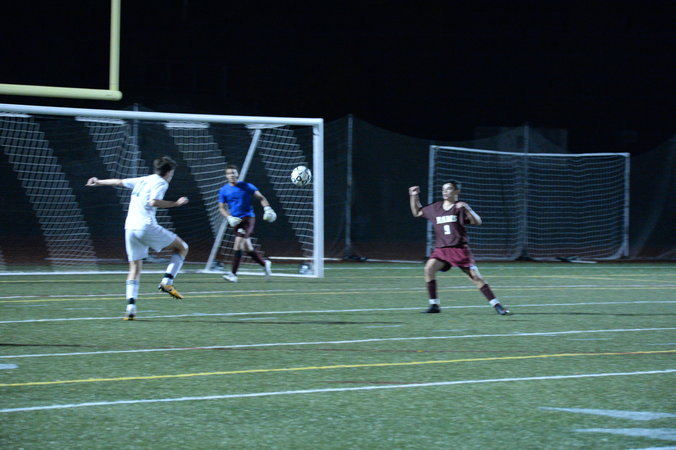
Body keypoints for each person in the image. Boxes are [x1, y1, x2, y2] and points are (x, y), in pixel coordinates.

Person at [86, 156, 189, 320]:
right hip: (145, 227)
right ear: (169, 172)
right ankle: (167, 282)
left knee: (134, 269)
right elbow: (153, 202)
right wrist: (176, 204)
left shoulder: (144, 179)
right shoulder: (161, 183)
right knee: (182, 247)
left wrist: (98, 182)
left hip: (130, 228)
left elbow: (119, 182)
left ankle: (131, 309)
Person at [409, 181, 510, 315]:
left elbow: (478, 221)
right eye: (443, 189)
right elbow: (417, 212)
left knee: (475, 277)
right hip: (441, 250)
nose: (445, 191)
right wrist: (414, 196)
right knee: (429, 269)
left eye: (449, 189)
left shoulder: (460, 207)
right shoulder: (435, 208)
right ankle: (434, 305)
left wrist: (468, 209)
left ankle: (497, 305)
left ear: (457, 191)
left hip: (459, 249)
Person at [218, 164, 276, 282]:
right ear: (226, 176)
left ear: (237, 174)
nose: (231, 175)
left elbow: (261, 198)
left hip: (248, 218)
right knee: (247, 248)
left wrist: (267, 209)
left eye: (233, 173)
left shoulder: (247, 186)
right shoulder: (224, 190)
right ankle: (265, 264)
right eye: (229, 173)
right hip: (236, 220)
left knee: (238, 243)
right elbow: (221, 208)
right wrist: (229, 217)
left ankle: (233, 275)